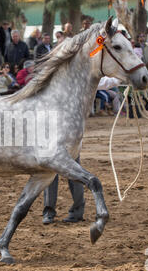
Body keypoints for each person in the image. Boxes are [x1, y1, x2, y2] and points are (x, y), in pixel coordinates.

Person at [42, 76, 125, 225]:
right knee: (54, 175)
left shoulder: (80, 77)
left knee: (71, 175)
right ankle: (54, 211)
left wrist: (122, 77)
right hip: (54, 132)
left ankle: (66, 212)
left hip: (70, 135)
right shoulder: (58, 79)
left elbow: (104, 81)